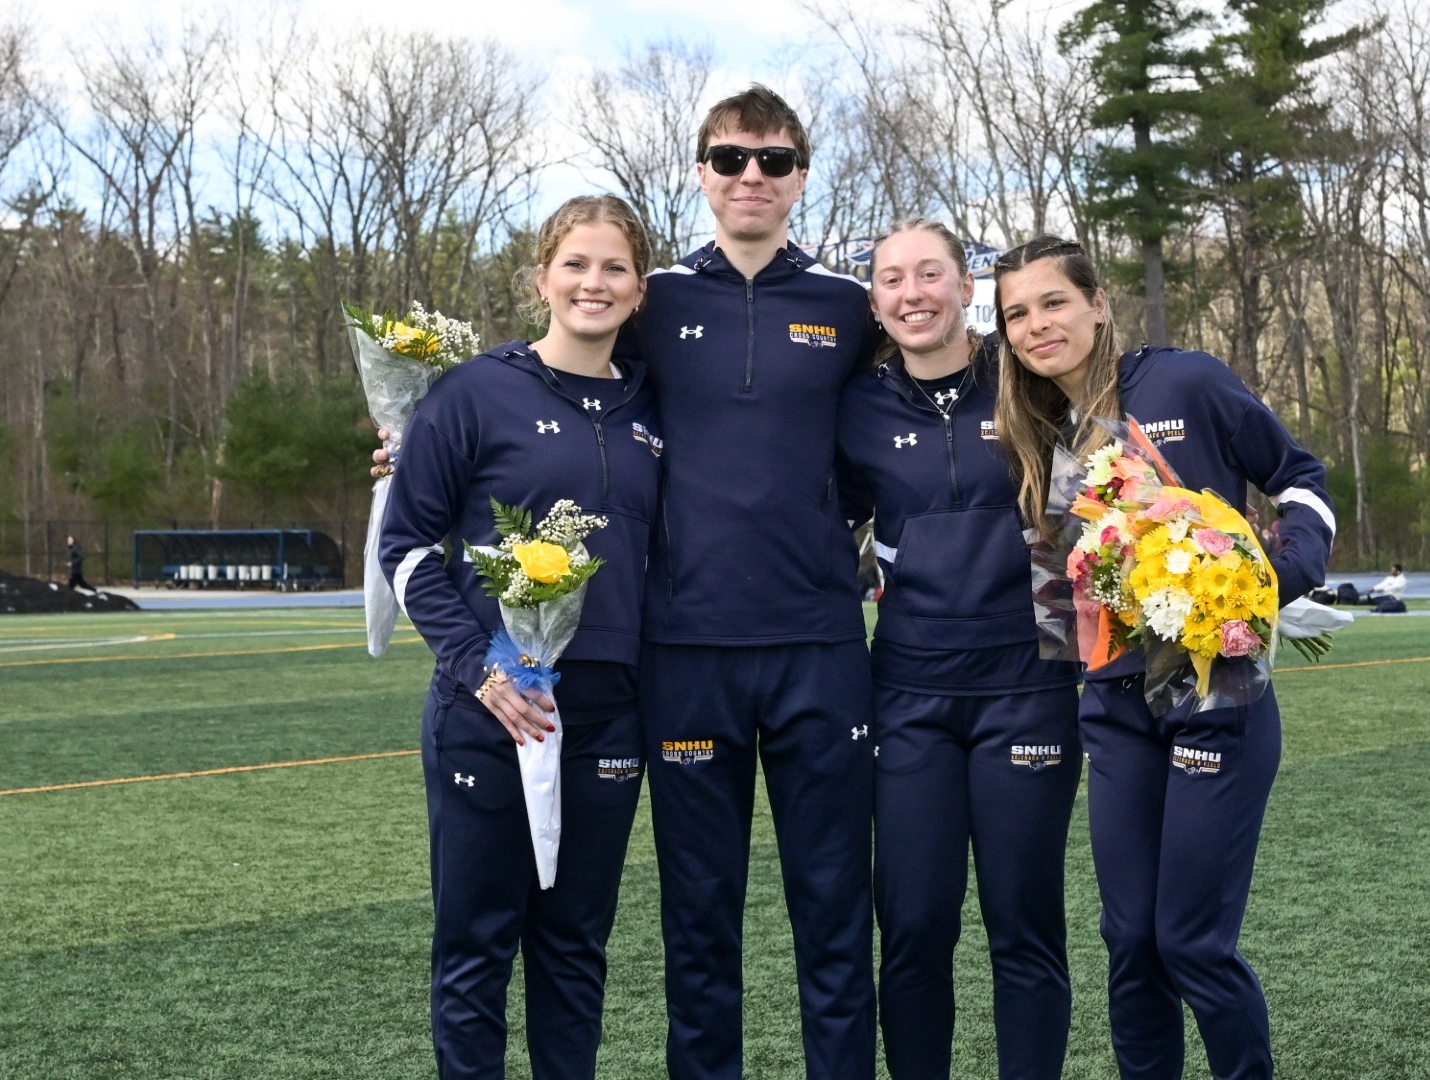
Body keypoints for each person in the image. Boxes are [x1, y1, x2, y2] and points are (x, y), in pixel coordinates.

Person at [992, 236, 1334, 1080]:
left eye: (1053, 302)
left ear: (1098, 303)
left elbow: (1301, 479)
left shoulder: (1183, 382)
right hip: (1113, 715)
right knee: (1131, 941)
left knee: (1190, 941)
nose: (1037, 325)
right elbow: (1059, 600)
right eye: (1016, 314)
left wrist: (1265, 581)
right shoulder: (1035, 434)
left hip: (1217, 701)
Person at [376, 195, 661, 1080]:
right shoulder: (473, 392)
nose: (593, 282)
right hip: (490, 708)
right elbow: (408, 547)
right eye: (575, 263)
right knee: (477, 946)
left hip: (611, 711)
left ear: (640, 289)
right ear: (542, 277)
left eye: (614, 266)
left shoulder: (659, 406)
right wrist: (485, 669)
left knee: (575, 947)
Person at [628, 86, 877, 1080]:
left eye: (773, 162)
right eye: (730, 159)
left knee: (833, 913)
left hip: (819, 648)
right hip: (685, 652)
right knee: (698, 921)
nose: (750, 178)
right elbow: (552, 392)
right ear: (701, 172)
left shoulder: (849, 308)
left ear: (801, 177)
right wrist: (420, 435)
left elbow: (911, 424)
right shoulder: (652, 300)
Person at [835, 219, 1082, 1078]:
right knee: (912, 928)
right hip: (907, 701)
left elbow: (1129, 440)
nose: (913, 294)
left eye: (930, 274)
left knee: (1023, 924)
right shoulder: (854, 407)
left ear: (963, 284)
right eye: (893, 280)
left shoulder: (1030, 382)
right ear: (875, 302)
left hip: (1030, 687)